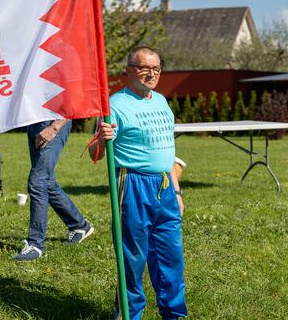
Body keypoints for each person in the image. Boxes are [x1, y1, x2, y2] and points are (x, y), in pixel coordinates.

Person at [90, 46, 187, 320]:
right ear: (129, 71)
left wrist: (177, 191)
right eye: (144, 68)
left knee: (171, 257)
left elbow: (166, 150)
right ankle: (129, 314)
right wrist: (101, 138)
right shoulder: (115, 106)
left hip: (165, 186)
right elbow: (95, 155)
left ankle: (174, 314)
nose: (151, 74)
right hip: (132, 184)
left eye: (156, 68)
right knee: (131, 258)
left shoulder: (161, 102)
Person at [14, 119, 94, 261]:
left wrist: (54, 127)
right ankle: (79, 226)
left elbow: (71, 100)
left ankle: (35, 244)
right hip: (35, 122)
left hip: (53, 123)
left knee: (38, 181)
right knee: (47, 181)